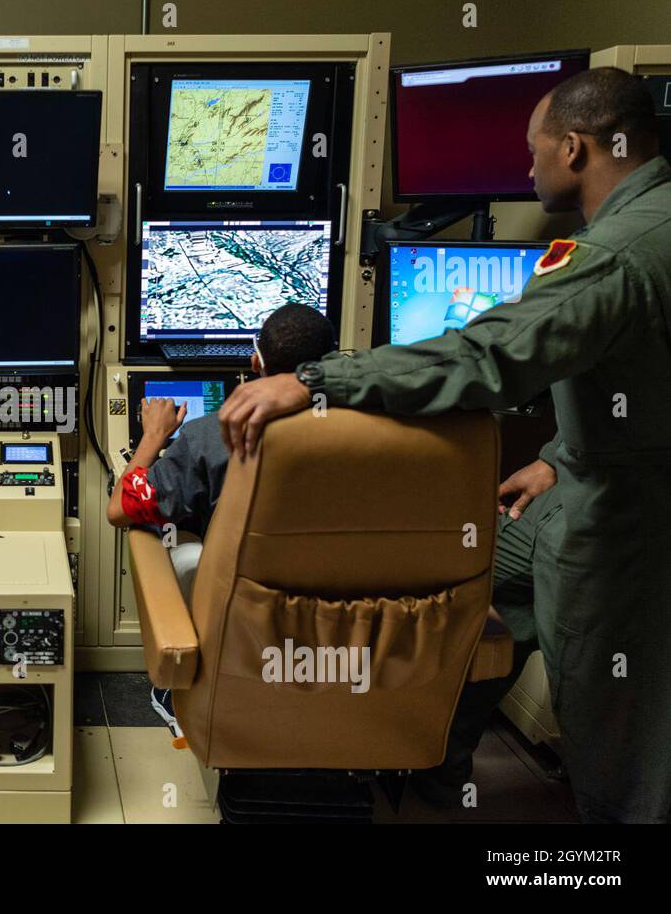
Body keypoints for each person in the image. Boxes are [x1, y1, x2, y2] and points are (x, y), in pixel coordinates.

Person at [216, 67, 671, 823]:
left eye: (534, 152)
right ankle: (431, 771)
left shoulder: (612, 258)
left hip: (625, 529)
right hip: (580, 488)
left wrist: (318, 381)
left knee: (618, 741)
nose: (527, 169)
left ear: (577, 148)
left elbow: (483, 358)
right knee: (462, 580)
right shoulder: (647, 224)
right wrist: (555, 458)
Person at [106, 303, 338, 734]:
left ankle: (180, 691)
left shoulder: (209, 437)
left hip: (246, 616)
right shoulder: (375, 428)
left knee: (182, 548)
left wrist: (153, 438)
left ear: (256, 363)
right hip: (346, 624)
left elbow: (120, 509)